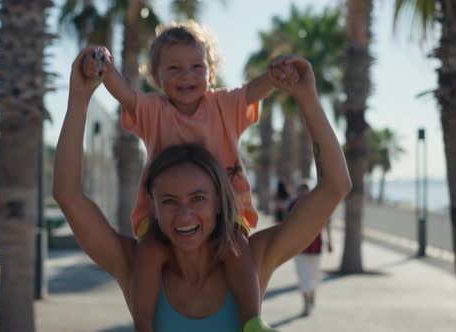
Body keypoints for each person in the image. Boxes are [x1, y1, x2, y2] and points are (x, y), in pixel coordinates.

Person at [53, 48, 351, 331]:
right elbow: (68, 196)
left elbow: (335, 187)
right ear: (153, 207)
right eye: (169, 201)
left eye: (197, 198)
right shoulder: (135, 265)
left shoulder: (253, 258)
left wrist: (307, 97)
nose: (185, 214)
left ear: (219, 203)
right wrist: (79, 99)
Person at [81, 20, 299, 331]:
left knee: (236, 245)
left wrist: (275, 75)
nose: (187, 76)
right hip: (164, 213)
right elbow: (126, 96)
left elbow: (253, 91)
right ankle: (143, 324)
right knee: (149, 253)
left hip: (224, 209)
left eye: (197, 66)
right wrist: (103, 67)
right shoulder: (154, 111)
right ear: (156, 77)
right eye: (174, 68)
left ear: (211, 71)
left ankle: (252, 321)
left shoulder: (224, 105)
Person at [288, 182, 333, 316]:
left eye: (306, 192)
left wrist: (330, 241)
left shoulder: (319, 205)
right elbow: (285, 227)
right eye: (301, 192)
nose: (303, 195)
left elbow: (327, 222)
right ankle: (306, 303)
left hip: (316, 248)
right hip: (299, 249)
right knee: (303, 278)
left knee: (313, 276)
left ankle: (311, 295)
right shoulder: (292, 206)